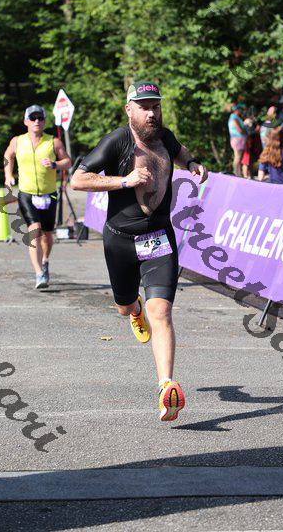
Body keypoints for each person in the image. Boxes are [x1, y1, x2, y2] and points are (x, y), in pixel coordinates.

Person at [71, 81, 208, 422]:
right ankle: (134, 312)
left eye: (155, 106)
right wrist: (124, 181)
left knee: (161, 311)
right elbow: (78, 179)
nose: (151, 113)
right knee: (125, 306)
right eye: (144, 107)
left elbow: (181, 150)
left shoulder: (165, 137)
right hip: (120, 241)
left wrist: (192, 163)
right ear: (129, 109)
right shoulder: (117, 141)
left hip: (159, 240)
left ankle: (166, 388)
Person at [4, 105, 71, 289]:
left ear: (44, 121)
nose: (36, 121)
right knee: (35, 230)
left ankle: (45, 261)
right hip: (26, 193)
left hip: (49, 194)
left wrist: (55, 164)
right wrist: (8, 175)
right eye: (32, 118)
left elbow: (67, 162)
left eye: (40, 118)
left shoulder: (53, 142)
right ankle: (39, 273)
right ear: (25, 121)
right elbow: (8, 156)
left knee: (47, 234)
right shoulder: (18, 141)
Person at [228, 103, 246, 176]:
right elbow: (239, 130)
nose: (241, 111)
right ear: (236, 110)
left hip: (237, 139)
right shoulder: (234, 118)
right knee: (237, 157)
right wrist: (246, 132)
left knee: (238, 157)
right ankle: (237, 174)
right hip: (237, 139)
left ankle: (237, 174)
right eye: (240, 109)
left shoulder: (234, 117)